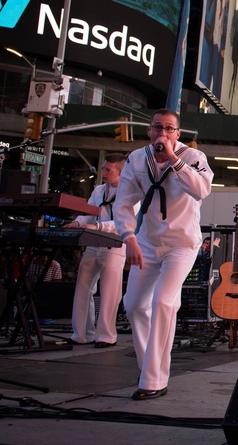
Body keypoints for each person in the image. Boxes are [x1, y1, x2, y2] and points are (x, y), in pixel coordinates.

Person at [115, 109, 213, 400]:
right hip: (147, 242)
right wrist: (128, 237)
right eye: (158, 127)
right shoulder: (135, 159)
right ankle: (149, 365)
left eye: (169, 129)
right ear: (149, 131)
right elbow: (124, 203)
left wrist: (173, 158)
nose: (163, 133)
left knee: (164, 302)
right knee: (133, 305)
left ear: (177, 134)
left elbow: (201, 190)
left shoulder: (194, 158)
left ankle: (154, 379)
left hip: (182, 244)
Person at [64, 154, 128, 347]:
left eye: (109, 170)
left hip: (114, 244)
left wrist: (99, 227)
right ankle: (82, 333)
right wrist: (77, 222)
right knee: (83, 287)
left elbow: (125, 223)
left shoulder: (130, 192)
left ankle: (106, 336)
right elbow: (90, 215)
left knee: (110, 293)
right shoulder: (99, 190)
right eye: (103, 169)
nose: (104, 173)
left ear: (121, 172)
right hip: (93, 243)